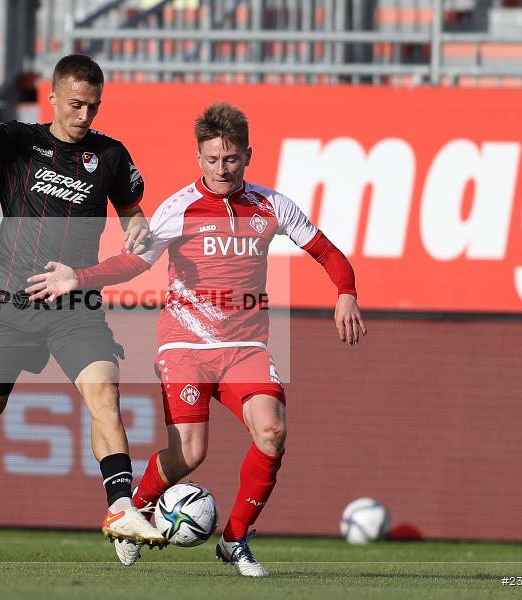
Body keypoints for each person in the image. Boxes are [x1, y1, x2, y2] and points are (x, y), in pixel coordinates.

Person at [25, 102, 367, 576]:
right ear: (198, 158)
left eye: (230, 159)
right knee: (189, 453)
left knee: (273, 432)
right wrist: (78, 278)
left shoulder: (272, 205)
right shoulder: (178, 207)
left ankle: (235, 540)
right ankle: (135, 513)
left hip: (246, 348)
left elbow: (328, 253)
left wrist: (346, 293)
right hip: (185, 346)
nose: (221, 169)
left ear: (248, 155)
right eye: (211, 160)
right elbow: (135, 264)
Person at [0, 54, 164, 550]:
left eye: (94, 107)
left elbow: (133, 213)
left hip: (74, 303)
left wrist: (137, 226)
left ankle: (121, 510)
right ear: (51, 96)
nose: (85, 116)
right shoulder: (20, 142)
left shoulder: (111, 156)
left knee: (105, 395)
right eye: (76, 104)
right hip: (11, 302)